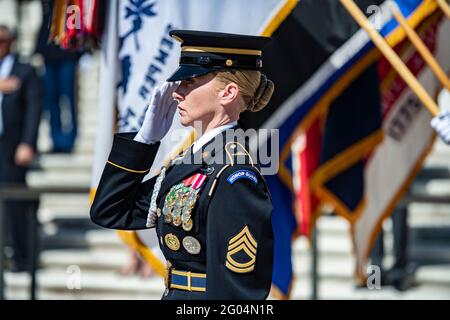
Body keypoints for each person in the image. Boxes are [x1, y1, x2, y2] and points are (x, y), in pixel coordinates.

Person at [91, 30, 275, 300]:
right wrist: (145, 140)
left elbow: (237, 294)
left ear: (228, 92)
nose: (177, 92)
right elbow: (109, 210)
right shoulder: (191, 163)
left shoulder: (235, 175)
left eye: (189, 81)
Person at [0, 25, 42, 271]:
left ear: (11, 42)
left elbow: (34, 110)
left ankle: (22, 256)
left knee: (14, 202)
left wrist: (28, 143)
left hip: (11, 145)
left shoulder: (25, 70)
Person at [35, 0, 79, 153]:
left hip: (68, 53)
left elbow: (76, 21)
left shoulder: (73, 2)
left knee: (67, 98)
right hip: (48, 53)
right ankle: (56, 139)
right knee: (50, 99)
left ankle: (69, 139)